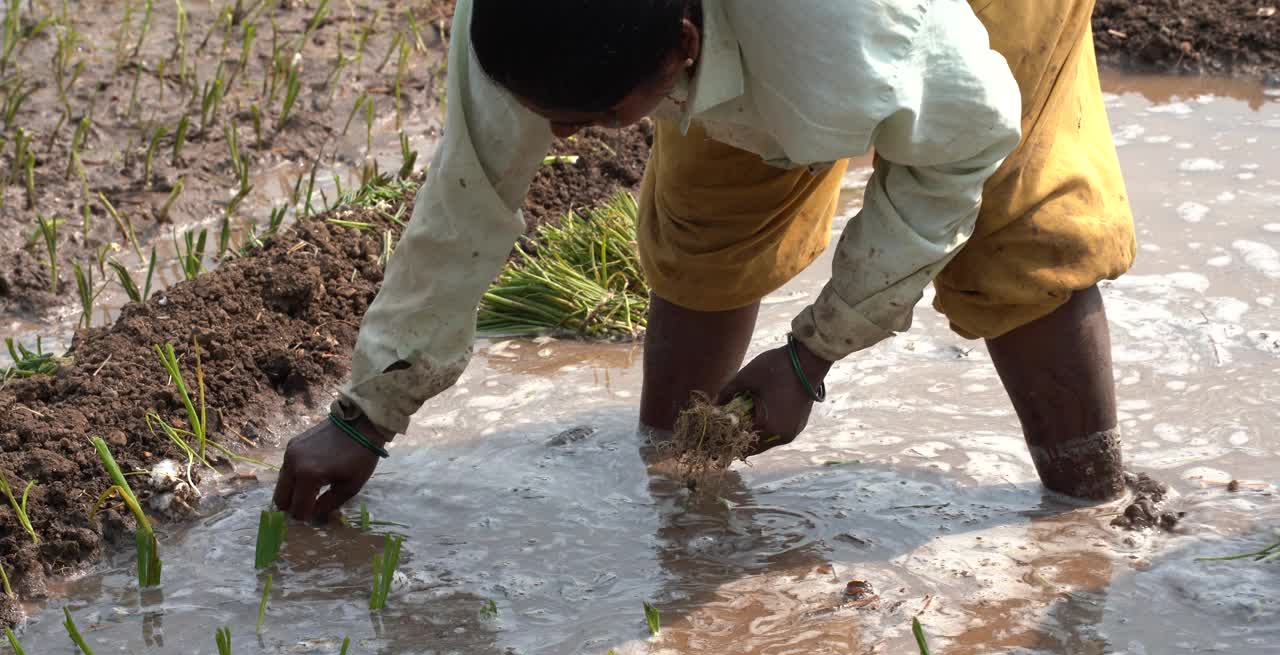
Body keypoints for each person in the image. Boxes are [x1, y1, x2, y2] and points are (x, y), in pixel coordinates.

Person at [273, 0, 1136, 521]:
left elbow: (963, 145)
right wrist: (367, 413)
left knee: (1016, 236)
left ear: (684, 45)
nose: (565, 139)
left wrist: (812, 354)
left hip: (943, 27)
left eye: (598, 116)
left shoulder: (850, 36)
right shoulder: (515, 18)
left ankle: (1092, 508)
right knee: (704, 221)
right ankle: (675, 480)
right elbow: (467, 194)